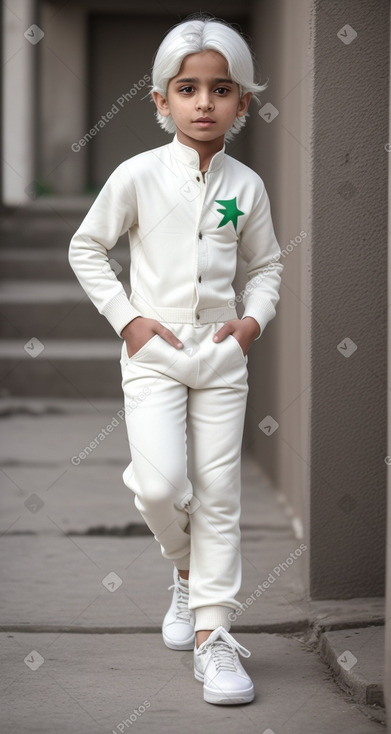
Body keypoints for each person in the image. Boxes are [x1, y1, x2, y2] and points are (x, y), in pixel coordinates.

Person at [68, 13, 283, 706]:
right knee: (161, 486)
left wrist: (251, 323)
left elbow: (268, 267)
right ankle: (186, 573)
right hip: (155, 352)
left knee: (218, 494)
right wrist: (127, 321)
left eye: (220, 90)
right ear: (160, 100)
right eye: (186, 89)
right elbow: (86, 248)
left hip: (221, 353)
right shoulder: (135, 176)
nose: (203, 103)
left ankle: (212, 635)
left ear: (242, 102)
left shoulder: (245, 187)